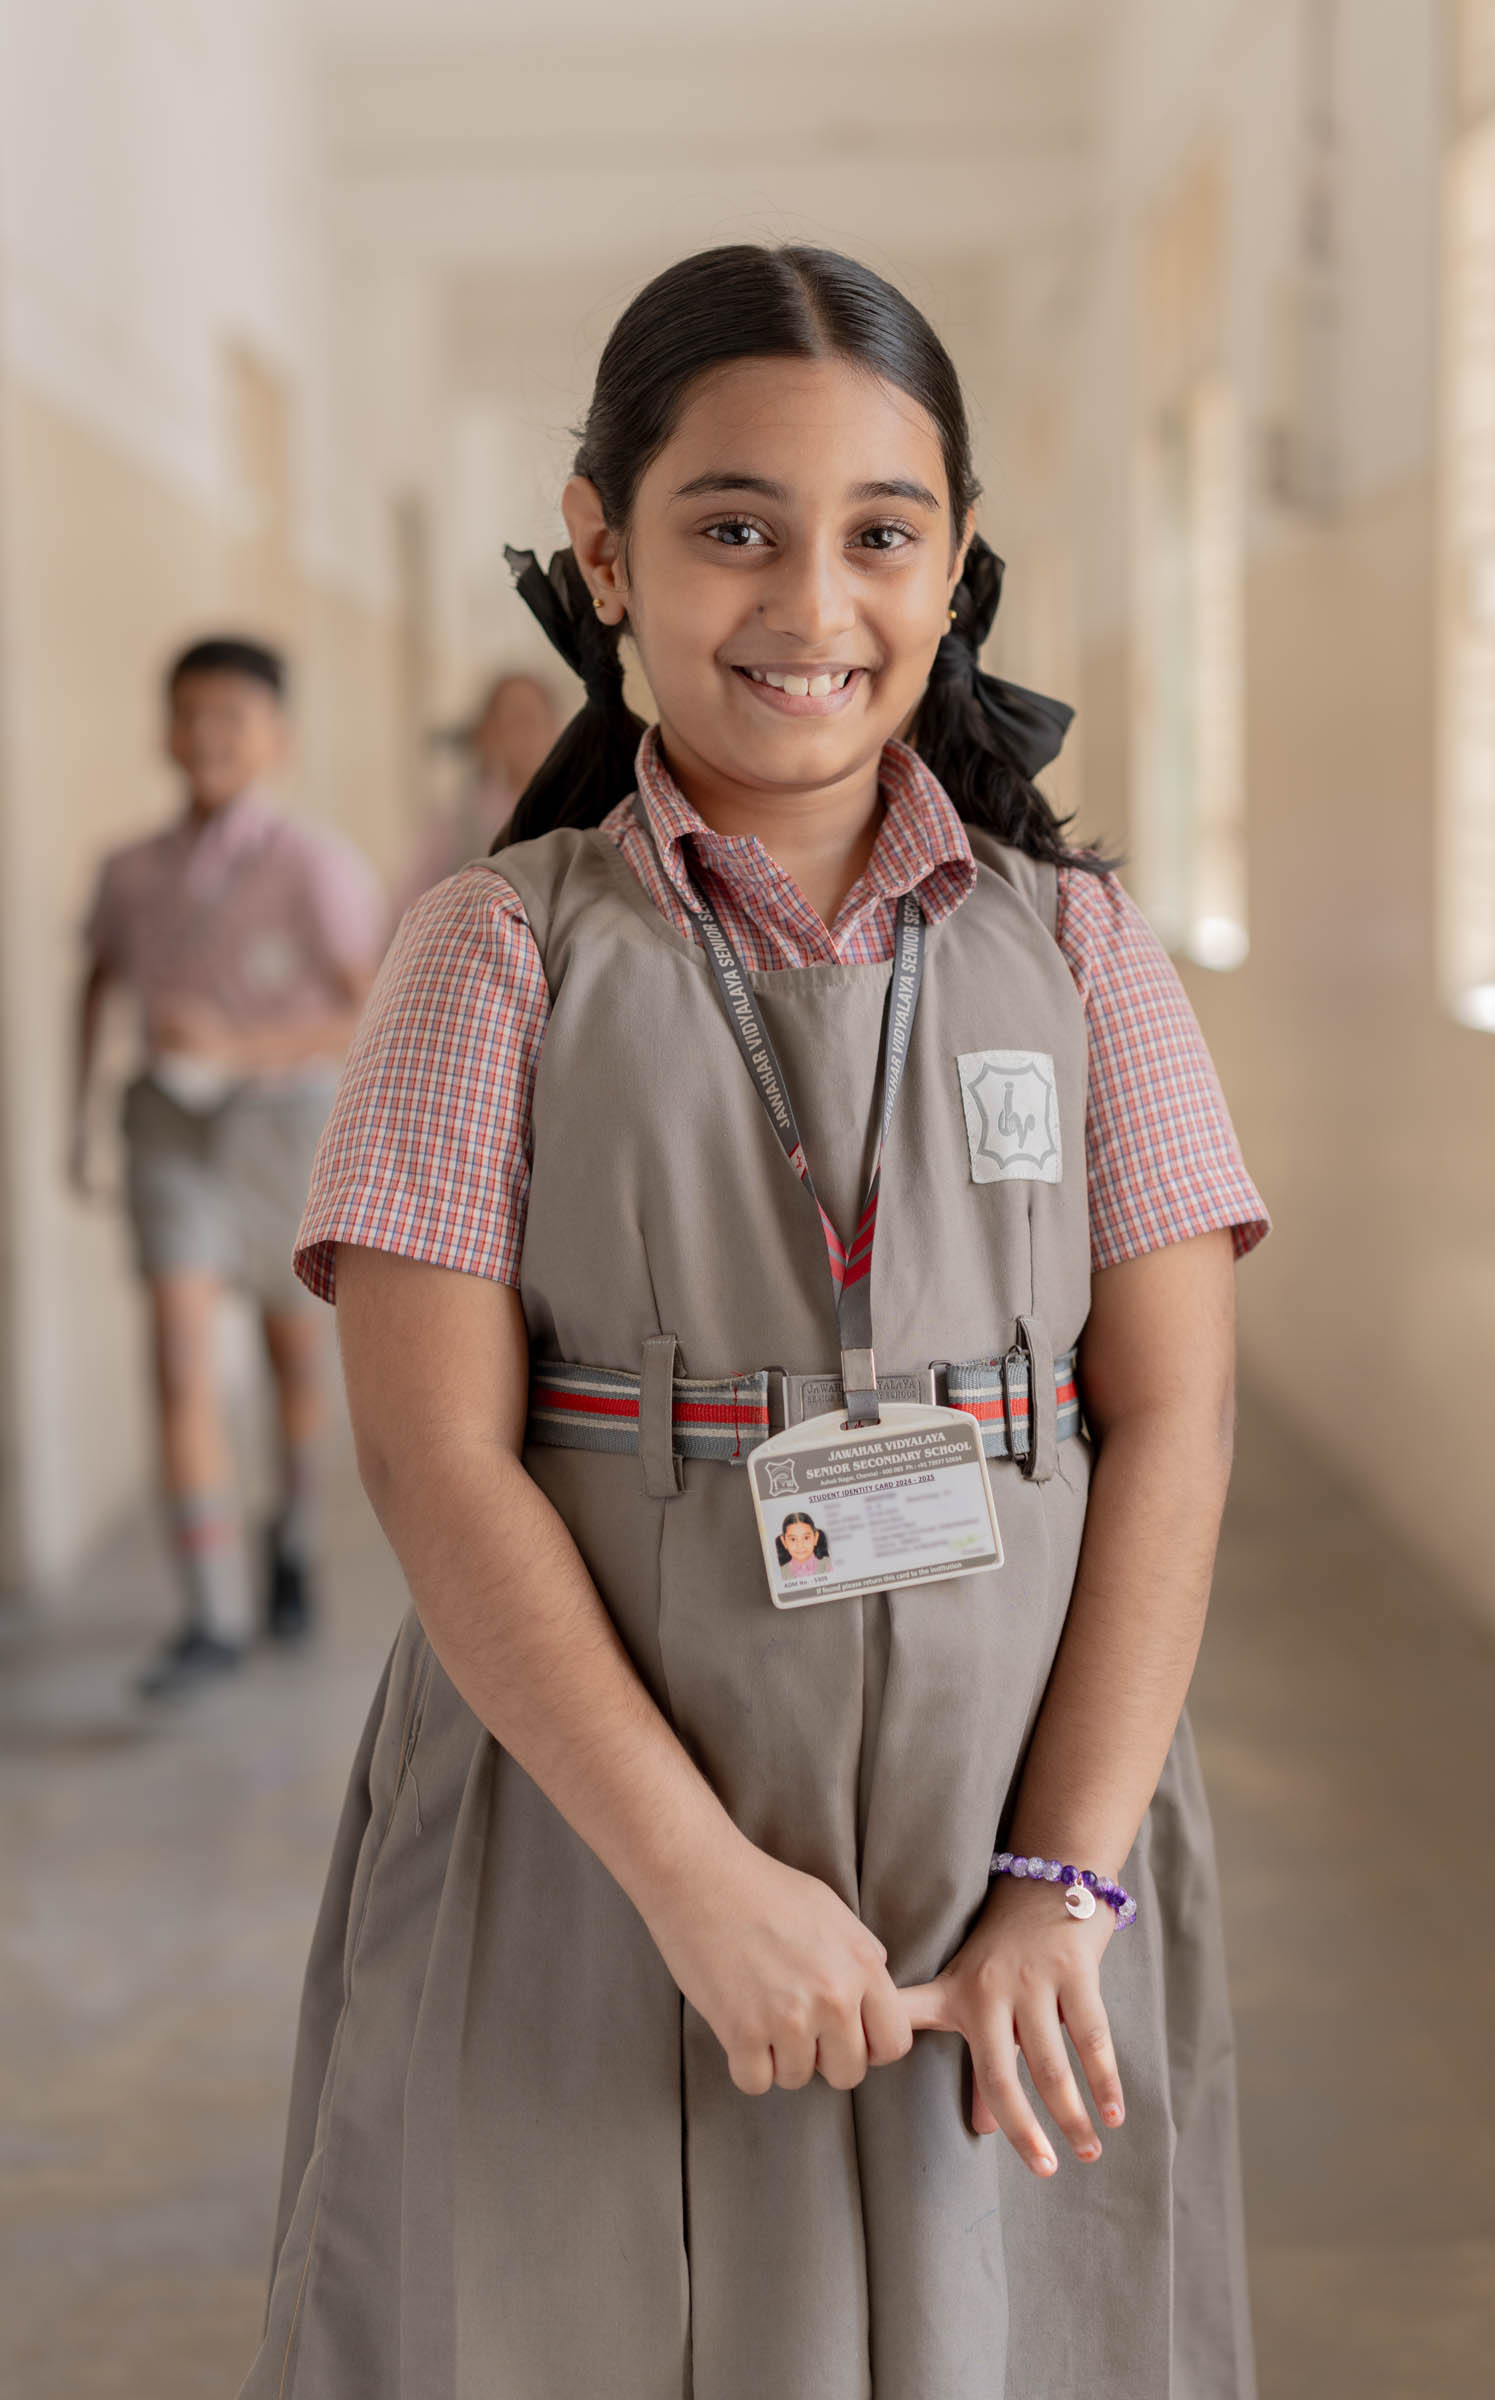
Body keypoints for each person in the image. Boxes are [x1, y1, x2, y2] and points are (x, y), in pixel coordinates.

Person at [242, 247, 1270, 2400]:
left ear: (954, 564)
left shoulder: (1081, 952)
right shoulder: (491, 955)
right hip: (597, 1850)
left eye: (879, 534)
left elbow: (1165, 1421)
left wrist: (1063, 1885)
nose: (812, 603)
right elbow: (436, 1460)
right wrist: (694, 1879)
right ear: (604, 550)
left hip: (1014, 1860)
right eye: (733, 528)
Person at [74, 636, 385, 1700]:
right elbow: (98, 981)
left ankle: (289, 1538)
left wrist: (236, 1047)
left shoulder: (313, 866)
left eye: (232, 719)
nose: (207, 737)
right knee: (174, 1349)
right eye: (190, 715)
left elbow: (365, 1008)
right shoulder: (130, 868)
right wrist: (81, 1117)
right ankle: (208, 1612)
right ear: (164, 727)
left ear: (274, 740)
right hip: (166, 1126)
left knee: (290, 1352)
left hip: (281, 1128)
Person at [391, 669, 564, 912]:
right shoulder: (458, 820)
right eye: (513, 724)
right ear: (489, 734)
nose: (526, 737)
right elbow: (410, 902)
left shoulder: (572, 810)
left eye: (533, 722)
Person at [775, 1510, 831, 1577]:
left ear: (815, 1538)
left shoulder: (829, 1564)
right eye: (793, 1539)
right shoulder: (781, 1573)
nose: (800, 1545)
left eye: (806, 1538)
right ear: (784, 1542)